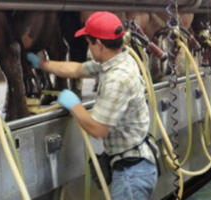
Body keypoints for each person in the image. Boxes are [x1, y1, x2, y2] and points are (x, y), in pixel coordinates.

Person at [27, 11, 159, 200]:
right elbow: (77, 69)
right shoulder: (118, 60)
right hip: (135, 166)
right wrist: (41, 63)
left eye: (89, 43)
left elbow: (98, 129)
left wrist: (74, 105)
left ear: (99, 44)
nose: (88, 48)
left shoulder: (117, 79)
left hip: (132, 173)